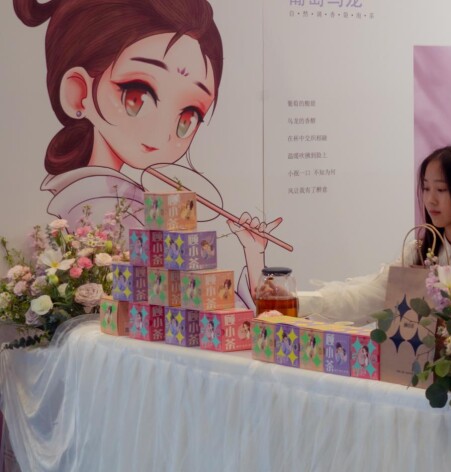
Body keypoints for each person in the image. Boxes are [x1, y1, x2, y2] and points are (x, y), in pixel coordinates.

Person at [13, 0, 278, 313]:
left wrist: (252, 252)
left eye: (187, 116)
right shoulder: (100, 206)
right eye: (137, 96)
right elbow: (193, 308)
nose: (161, 132)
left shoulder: (127, 202)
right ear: (78, 92)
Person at [301, 145, 451, 324]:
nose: (430, 200)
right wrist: (299, 302)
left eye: (441, 189)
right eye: (426, 188)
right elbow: (367, 296)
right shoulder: (418, 252)